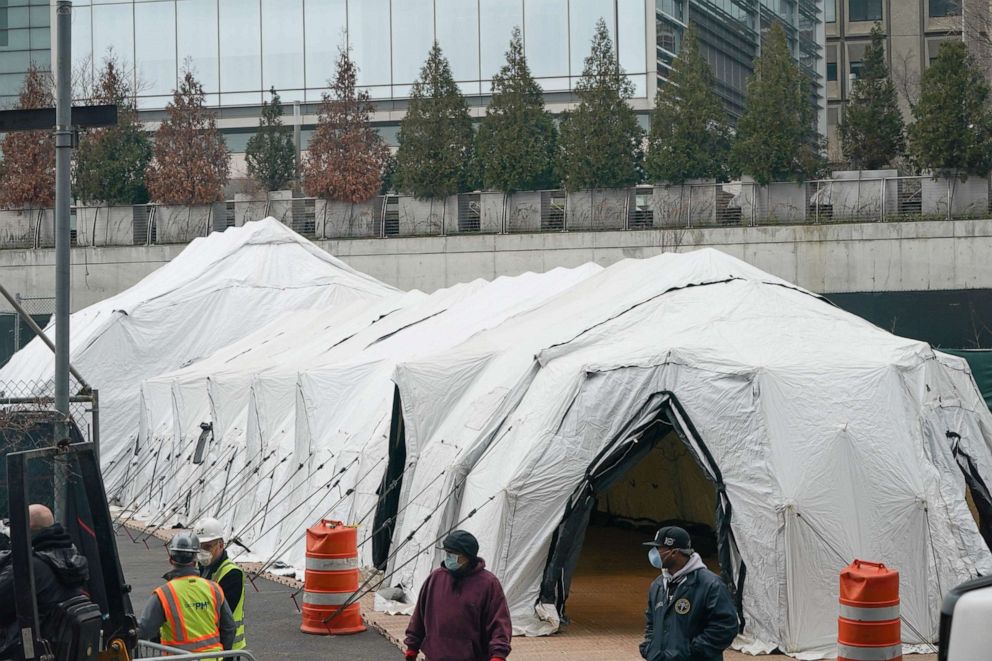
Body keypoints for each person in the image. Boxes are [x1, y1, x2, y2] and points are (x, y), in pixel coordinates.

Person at [404, 530, 512, 661]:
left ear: (468, 556)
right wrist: (412, 646)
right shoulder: (435, 578)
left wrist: (498, 655)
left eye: (453, 554)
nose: (448, 557)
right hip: (435, 657)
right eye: (447, 553)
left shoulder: (488, 584)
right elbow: (419, 615)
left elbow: (499, 623)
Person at [0, 505, 90, 656]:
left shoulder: (29, 567)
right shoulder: (70, 558)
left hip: (21, 650)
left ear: (26, 529)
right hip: (52, 648)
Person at [640, 526, 738, 661]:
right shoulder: (658, 585)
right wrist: (650, 648)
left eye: (658, 549)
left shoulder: (710, 584)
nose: (654, 553)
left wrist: (693, 652)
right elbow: (652, 622)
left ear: (674, 552)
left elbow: (726, 626)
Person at [138, 530, 236, 655]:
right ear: (196, 559)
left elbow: (145, 631)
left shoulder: (163, 594)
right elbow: (229, 628)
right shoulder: (214, 589)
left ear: (171, 559)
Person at [195, 517, 247, 650]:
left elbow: (216, 613)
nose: (202, 552)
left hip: (227, 647)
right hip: (205, 646)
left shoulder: (232, 573)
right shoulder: (198, 568)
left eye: (207, 547)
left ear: (221, 545)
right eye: (199, 547)